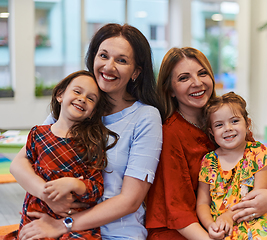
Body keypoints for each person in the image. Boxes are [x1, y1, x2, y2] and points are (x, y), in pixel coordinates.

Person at [9, 23, 163, 240]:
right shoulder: (75, 107)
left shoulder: (146, 117)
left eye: (121, 60)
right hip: (53, 224)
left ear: (136, 72)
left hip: (116, 233)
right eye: (103, 55)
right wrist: (47, 194)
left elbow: (130, 200)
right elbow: (19, 163)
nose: (109, 67)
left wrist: (63, 225)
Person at [145, 47, 267, 240]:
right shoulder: (170, 133)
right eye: (184, 78)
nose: (197, 83)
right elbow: (178, 211)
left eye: (202, 73)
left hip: (232, 220)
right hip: (183, 229)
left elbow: (260, 161)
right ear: (170, 90)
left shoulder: (226, 115)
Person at [5, 70, 119, 240]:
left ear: (93, 112)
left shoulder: (91, 144)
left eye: (91, 98)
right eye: (77, 91)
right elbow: (20, 169)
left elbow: (96, 189)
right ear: (60, 95)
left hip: (73, 223)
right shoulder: (37, 135)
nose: (82, 99)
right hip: (36, 217)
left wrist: (73, 183)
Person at [196, 92, 267, 239]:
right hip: (224, 226)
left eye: (234, 121)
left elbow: (257, 197)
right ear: (211, 132)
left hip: (256, 220)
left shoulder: (258, 152)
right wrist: (210, 226)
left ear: (247, 124)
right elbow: (202, 203)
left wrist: (229, 215)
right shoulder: (209, 162)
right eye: (219, 125)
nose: (227, 128)